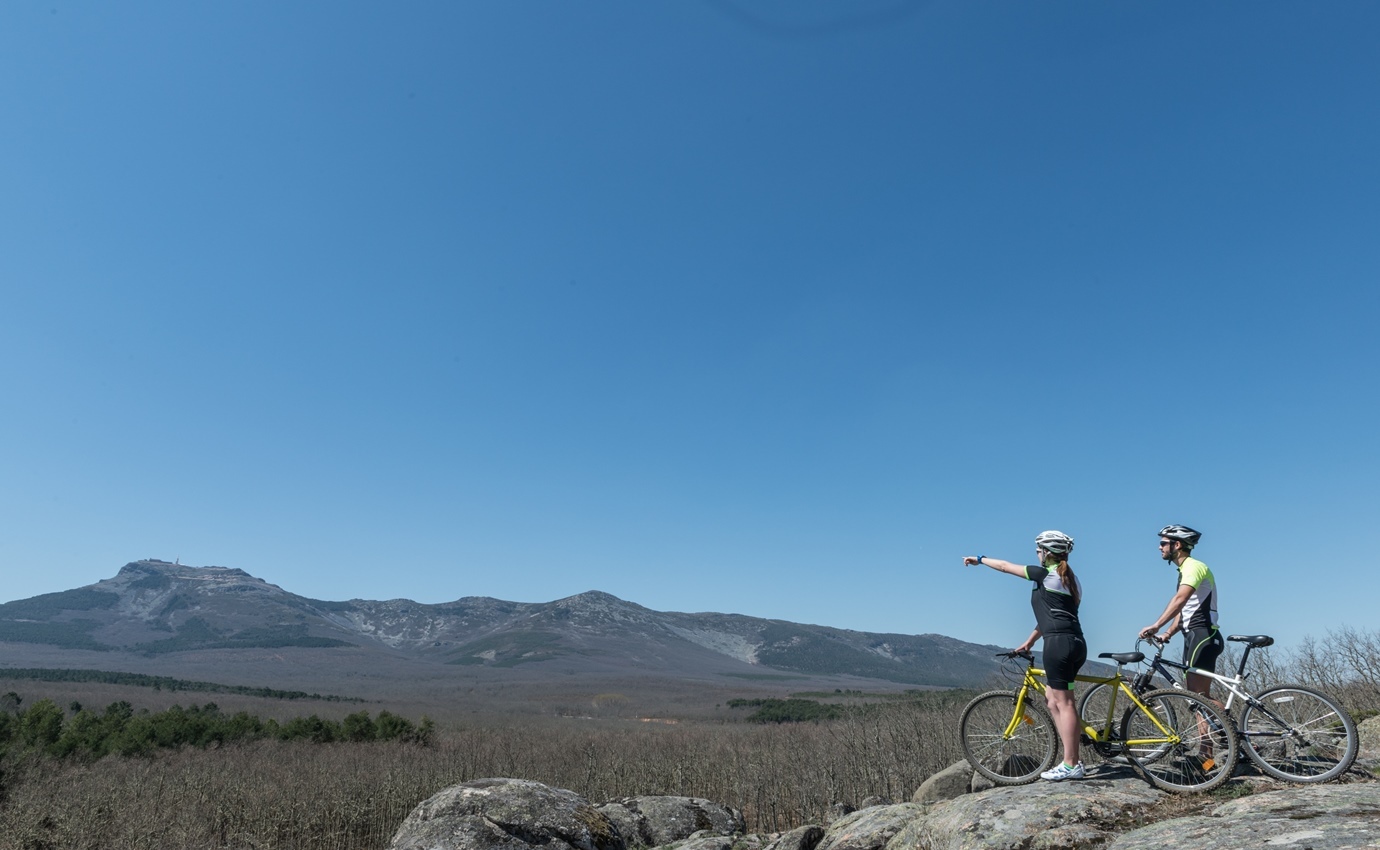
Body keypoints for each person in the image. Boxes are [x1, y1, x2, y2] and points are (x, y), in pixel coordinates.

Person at [964, 530, 1087, 781]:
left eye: (1038, 550)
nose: (1036, 554)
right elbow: (1051, 617)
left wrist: (980, 558)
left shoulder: (1044, 574)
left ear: (1046, 552)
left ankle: (1071, 763)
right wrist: (1029, 642)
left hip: (1058, 645)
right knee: (1053, 700)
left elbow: (1005, 567)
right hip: (1075, 643)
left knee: (1064, 703)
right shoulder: (1072, 582)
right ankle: (1071, 759)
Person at [1138, 524, 1222, 701]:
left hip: (1203, 633)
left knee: (1200, 698)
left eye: (1163, 543)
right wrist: (1167, 633)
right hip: (1193, 634)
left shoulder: (1193, 567)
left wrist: (1156, 625)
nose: (1159, 547)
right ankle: (1215, 729)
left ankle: (1228, 729)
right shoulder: (1184, 570)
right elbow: (1185, 610)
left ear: (1177, 545)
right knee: (1196, 698)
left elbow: (1180, 600)